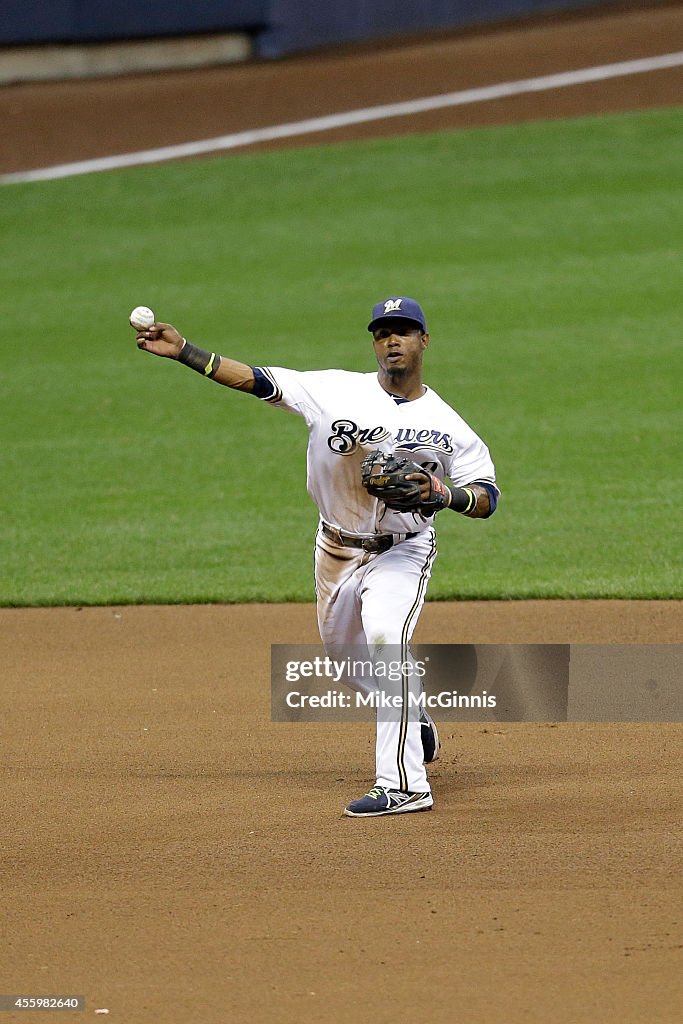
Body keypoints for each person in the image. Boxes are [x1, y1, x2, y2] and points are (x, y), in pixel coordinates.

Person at [134, 296, 499, 817]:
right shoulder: (331, 390)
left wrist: (444, 496)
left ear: (424, 340)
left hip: (403, 551)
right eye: (382, 333)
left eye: (403, 331)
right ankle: (412, 718)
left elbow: (486, 497)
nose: (391, 341)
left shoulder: (450, 426)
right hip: (335, 548)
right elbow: (257, 380)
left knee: (385, 646)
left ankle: (404, 786)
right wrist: (184, 351)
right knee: (346, 662)